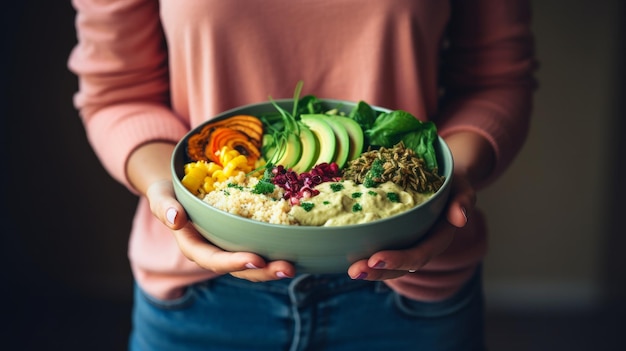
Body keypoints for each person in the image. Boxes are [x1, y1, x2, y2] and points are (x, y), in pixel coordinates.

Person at [68, 1, 536, 350]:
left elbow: (494, 78)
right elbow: (117, 89)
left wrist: (446, 184)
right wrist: (165, 190)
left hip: (411, 288)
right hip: (200, 295)